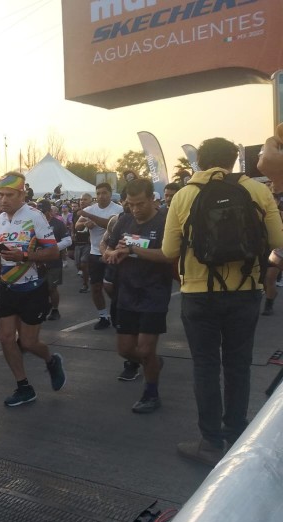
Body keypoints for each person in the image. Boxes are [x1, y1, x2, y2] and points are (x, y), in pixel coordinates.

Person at [162, 137, 283, 466]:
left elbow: (169, 251)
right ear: (233, 162)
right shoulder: (256, 190)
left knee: (205, 366)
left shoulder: (184, 194)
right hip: (245, 290)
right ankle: (236, 432)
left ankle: (210, 442)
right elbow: (277, 240)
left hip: (198, 294)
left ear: (200, 162)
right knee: (238, 364)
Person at [0, 172, 66, 407]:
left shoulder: (35, 216)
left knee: (28, 343)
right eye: (0, 195)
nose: (3, 199)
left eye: (9, 195)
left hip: (33, 288)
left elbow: (53, 252)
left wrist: (25, 256)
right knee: (6, 338)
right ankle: (23, 386)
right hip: (6, 286)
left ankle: (51, 360)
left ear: (22, 194)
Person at [103, 178, 173, 413]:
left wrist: (133, 249)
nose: (135, 209)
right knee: (125, 350)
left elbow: (168, 255)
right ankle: (153, 362)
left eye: (140, 203)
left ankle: (151, 394)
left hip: (154, 293)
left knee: (144, 349)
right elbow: (109, 247)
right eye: (130, 204)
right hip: (127, 292)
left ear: (153, 199)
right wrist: (112, 254)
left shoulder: (165, 222)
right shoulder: (124, 220)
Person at [78, 182, 123, 329]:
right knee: (96, 287)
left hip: (112, 253)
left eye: (104, 193)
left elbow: (109, 224)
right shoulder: (90, 209)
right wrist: (85, 223)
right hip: (94, 252)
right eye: (98, 193)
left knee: (110, 286)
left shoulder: (118, 209)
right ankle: (103, 316)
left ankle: (118, 308)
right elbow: (77, 225)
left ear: (110, 194)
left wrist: (89, 216)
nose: (101, 196)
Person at [37, 200, 72, 321]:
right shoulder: (34, 223)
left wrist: (52, 249)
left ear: (49, 211)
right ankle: (43, 308)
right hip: (37, 261)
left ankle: (55, 310)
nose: (40, 214)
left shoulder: (58, 224)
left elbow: (68, 241)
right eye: (38, 212)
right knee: (39, 288)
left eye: (42, 212)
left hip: (53, 261)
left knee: (52, 287)